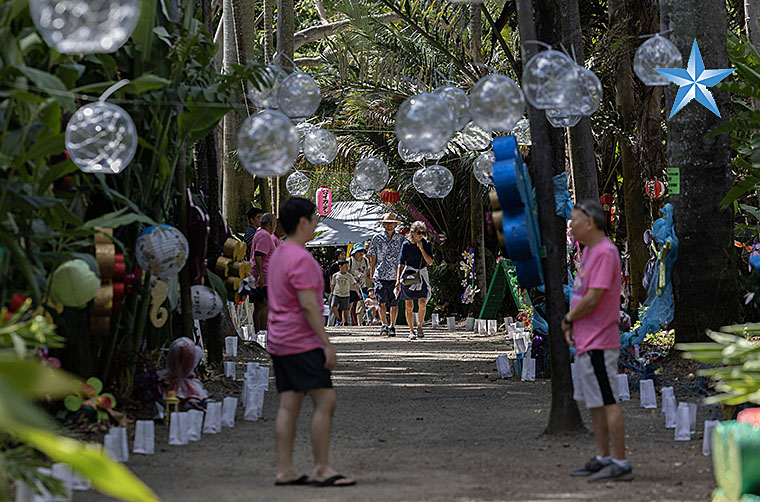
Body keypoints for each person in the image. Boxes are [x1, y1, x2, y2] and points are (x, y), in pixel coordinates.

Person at [266, 197, 355, 487]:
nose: (317, 224)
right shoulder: (301, 259)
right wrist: (326, 343)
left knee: (289, 403)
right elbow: (308, 306)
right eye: (314, 219)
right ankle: (321, 468)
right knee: (324, 400)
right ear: (302, 222)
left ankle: (286, 469)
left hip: (279, 339)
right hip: (301, 341)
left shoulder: (279, 253)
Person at [561, 199, 631, 482]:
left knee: (607, 398)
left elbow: (593, 298)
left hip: (601, 340)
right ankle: (603, 456)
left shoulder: (604, 252)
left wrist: (568, 319)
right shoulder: (589, 252)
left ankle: (620, 462)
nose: (572, 226)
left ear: (590, 222)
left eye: (575, 221)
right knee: (595, 400)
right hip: (587, 339)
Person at [367, 213, 406, 337]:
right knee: (381, 302)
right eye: (387, 223)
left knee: (394, 303)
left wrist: (402, 275)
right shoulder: (377, 238)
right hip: (380, 274)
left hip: (395, 276)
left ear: (395, 225)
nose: (389, 225)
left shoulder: (401, 239)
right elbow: (372, 256)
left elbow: (403, 258)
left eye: (392, 223)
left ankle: (392, 326)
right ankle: (384, 324)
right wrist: (371, 271)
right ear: (383, 225)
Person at [395, 221, 434, 340]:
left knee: (422, 302)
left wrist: (421, 249)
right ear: (412, 232)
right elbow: (401, 263)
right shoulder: (406, 245)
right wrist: (397, 280)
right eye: (418, 232)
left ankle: (420, 326)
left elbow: (430, 262)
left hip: (421, 274)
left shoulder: (426, 244)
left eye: (423, 232)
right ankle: (411, 330)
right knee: (409, 305)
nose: (421, 235)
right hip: (409, 275)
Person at [250, 213, 276, 332]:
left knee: (260, 305)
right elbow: (258, 254)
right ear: (271, 224)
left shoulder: (260, 234)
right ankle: (263, 332)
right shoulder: (264, 235)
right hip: (263, 274)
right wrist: (261, 274)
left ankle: (260, 333)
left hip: (261, 273)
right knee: (264, 304)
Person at [330, 260, 360, 326]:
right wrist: (332, 293)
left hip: (346, 294)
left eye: (348, 266)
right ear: (340, 266)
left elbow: (354, 284)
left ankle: (345, 322)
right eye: (345, 266)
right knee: (333, 306)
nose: (347, 268)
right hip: (336, 293)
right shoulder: (335, 275)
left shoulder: (349, 276)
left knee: (345, 309)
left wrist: (358, 292)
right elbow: (332, 284)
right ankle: (338, 319)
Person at [348, 244, 371, 326]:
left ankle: (359, 323)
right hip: (351, 287)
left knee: (362, 304)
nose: (361, 253)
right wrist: (354, 277)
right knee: (350, 305)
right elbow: (346, 273)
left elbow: (368, 272)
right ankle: (347, 321)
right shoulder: (349, 261)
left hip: (362, 285)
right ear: (354, 252)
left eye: (362, 251)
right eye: (359, 251)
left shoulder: (365, 261)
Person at [326, 249, 345, 326]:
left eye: (344, 255)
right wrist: (332, 292)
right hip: (334, 290)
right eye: (341, 255)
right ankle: (329, 325)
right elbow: (331, 280)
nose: (343, 256)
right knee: (333, 309)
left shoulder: (345, 265)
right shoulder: (334, 266)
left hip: (342, 290)